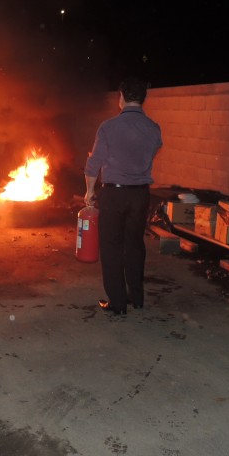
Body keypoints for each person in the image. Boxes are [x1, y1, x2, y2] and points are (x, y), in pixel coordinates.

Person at [84, 77, 163, 315]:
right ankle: (137, 298)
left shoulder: (108, 127)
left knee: (111, 246)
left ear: (121, 97)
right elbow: (150, 152)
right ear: (143, 99)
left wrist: (89, 191)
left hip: (114, 194)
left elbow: (93, 165)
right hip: (141, 195)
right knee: (135, 245)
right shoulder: (154, 128)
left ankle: (118, 303)